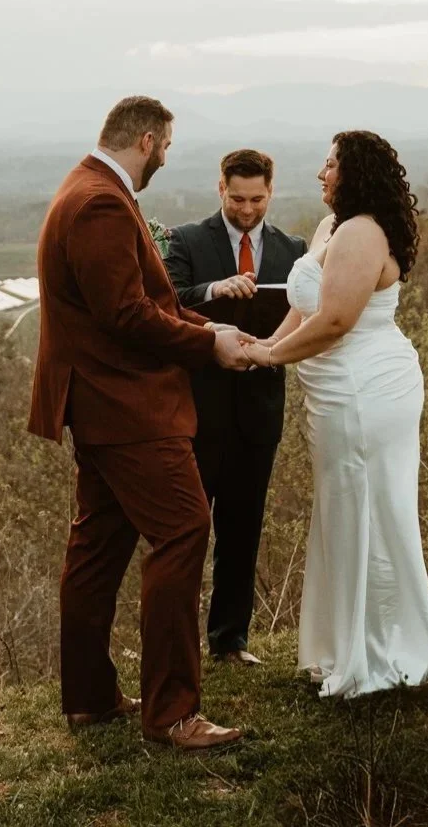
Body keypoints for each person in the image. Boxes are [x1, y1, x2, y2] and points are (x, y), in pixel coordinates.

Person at [27, 95, 251, 749]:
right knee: (183, 529)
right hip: (126, 408)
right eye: (167, 148)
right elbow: (125, 315)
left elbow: (145, 303)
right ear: (148, 140)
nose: (164, 159)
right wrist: (208, 345)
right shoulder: (98, 201)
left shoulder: (85, 186)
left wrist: (210, 327)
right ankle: (172, 713)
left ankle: (90, 697)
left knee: (96, 549)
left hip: (101, 406)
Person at [244, 130, 428, 698]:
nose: (320, 172)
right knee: (344, 510)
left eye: (331, 164)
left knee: (371, 509)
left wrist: (269, 356)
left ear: (354, 171)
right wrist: (260, 348)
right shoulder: (332, 228)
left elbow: (336, 321)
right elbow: (303, 305)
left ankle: (383, 653)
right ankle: (344, 644)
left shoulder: (362, 233)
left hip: (366, 390)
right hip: (332, 392)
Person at [164, 149, 307, 666]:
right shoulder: (186, 240)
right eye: (237, 198)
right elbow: (168, 299)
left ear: (271, 191)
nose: (247, 210)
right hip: (198, 410)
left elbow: (306, 315)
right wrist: (213, 289)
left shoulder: (295, 249)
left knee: (243, 529)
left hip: (259, 410)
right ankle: (176, 646)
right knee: (186, 531)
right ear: (219, 188)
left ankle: (229, 642)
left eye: (258, 199)